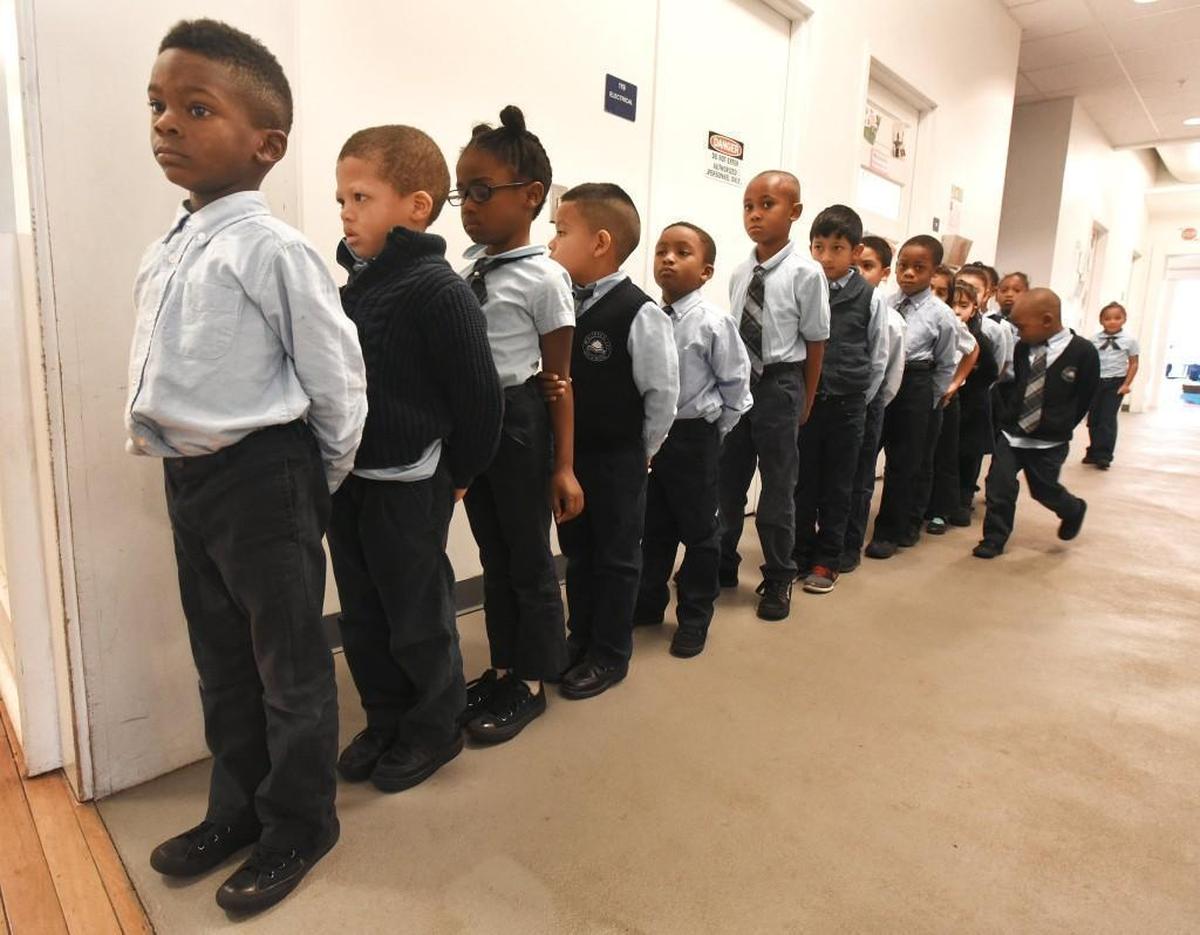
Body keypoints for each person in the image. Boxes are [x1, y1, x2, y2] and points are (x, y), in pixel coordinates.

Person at [131, 19, 367, 913]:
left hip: (265, 478)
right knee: (222, 660)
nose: (166, 123)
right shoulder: (174, 242)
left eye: (196, 107)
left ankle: (301, 822)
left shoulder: (274, 248)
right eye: (158, 104)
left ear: (266, 143)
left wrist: (317, 480)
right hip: (191, 480)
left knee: (288, 665)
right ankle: (236, 809)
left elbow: (337, 377)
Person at [329, 126, 503, 792]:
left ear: (417, 207)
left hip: (411, 481)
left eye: (361, 196)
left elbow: (480, 401)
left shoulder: (439, 290)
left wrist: (456, 474)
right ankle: (386, 717)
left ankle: (434, 727)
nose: (345, 211)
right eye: (340, 197)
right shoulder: (356, 286)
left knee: (416, 614)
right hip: (353, 480)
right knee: (363, 613)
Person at [452, 106, 582, 743]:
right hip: (478, 423)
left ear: (531, 197)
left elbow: (560, 381)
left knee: (528, 557)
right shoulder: (470, 265)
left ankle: (531, 681)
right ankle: (503, 665)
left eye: (482, 192)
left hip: (523, 421)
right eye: (462, 193)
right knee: (493, 553)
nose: (468, 206)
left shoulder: (545, 279)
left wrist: (563, 464)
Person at [547, 183, 679, 698]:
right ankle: (579, 638)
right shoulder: (560, 301)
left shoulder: (638, 311)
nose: (552, 243)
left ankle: (609, 653)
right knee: (578, 552)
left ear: (600, 242)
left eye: (561, 232)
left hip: (619, 458)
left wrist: (641, 452)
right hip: (570, 457)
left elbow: (662, 393)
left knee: (618, 555)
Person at [633, 222, 751, 656]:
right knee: (655, 526)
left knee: (700, 532)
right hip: (654, 437)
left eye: (682, 252)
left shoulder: (714, 322)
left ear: (706, 271)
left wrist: (711, 431)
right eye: (662, 250)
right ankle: (648, 604)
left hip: (694, 437)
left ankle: (695, 617)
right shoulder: (647, 316)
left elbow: (737, 388)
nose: (668, 259)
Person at [718, 171, 829, 620]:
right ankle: (721, 561)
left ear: (794, 213)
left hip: (781, 384)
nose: (755, 214)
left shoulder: (807, 273)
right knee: (727, 483)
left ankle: (780, 575)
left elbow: (817, 342)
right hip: (738, 384)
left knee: (778, 489)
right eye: (748, 205)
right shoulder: (740, 272)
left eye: (767, 204)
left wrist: (807, 398)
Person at [793, 205, 887, 593]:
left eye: (837, 248)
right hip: (806, 405)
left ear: (855, 252)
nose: (826, 257)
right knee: (803, 483)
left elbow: (879, 356)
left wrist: (859, 397)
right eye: (819, 247)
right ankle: (799, 551)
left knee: (839, 486)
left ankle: (827, 558)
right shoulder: (802, 286)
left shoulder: (870, 298)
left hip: (848, 406)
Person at [974, 288, 1098, 558]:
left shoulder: (1083, 352)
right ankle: (994, 538)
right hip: (1012, 433)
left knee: (1043, 490)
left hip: (1050, 440)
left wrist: (1062, 423)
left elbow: (1086, 396)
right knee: (999, 485)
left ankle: (1073, 509)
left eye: (1021, 326)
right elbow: (1018, 384)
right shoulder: (1023, 347)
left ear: (1047, 320)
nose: (1018, 333)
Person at [865, 235, 957, 560]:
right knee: (865, 456)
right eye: (903, 266)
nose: (909, 274)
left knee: (903, 464)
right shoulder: (883, 303)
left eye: (919, 268)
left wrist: (930, 400)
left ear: (934, 272)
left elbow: (946, 362)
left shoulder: (941, 314)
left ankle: (889, 530)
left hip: (917, 384)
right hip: (881, 379)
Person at [841, 236, 905, 572]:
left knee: (859, 479)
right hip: (836, 406)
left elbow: (887, 371)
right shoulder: (832, 305)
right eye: (855, 264)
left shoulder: (890, 318)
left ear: (883, 273)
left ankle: (850, 545)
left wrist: (866, 402)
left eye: (867, 266)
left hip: (867, 405)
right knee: (834, 479)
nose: (858, 272)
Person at [926, 279, 995, 531]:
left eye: (962, 305)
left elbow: (984, 363)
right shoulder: (931, 320)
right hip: (928, 397)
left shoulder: (969, 332)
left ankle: (945, 509)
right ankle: (924, 505)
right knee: (925, 457)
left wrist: (956, 384)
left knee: (952, 456)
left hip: (956, 401)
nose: (956, 310)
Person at [1084, 301, 1139, 470]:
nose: (1112, 321)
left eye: (1117, 318)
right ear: (1101, 320)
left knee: (1107, 419)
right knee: (1093, 419)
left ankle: (1104, 455)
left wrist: (1126, 384)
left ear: (1124, 319)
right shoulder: (1093, 340)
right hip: (1096, 382)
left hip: (1115, 383)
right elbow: (1088, 362)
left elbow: (1134, 363)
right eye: (1107, 318)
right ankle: (1093, 451)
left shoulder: (1129, 341)